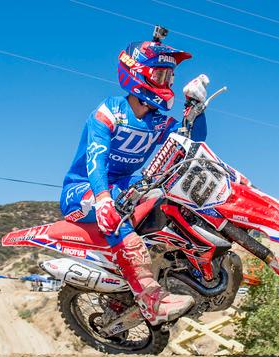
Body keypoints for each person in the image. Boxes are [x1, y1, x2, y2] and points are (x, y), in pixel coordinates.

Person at [60, 37, 210, 325]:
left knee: (169, 198)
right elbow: (96, 159)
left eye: (170, 77)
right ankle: (151, 300)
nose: (167, 83)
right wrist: (102, 197)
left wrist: (196, 107)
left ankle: (184, 268)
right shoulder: (108, 112)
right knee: (116, 209)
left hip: (123, 186)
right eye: (160, 75)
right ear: (138, 73)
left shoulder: (157, 121)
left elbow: (193, 141)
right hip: (82, 189)